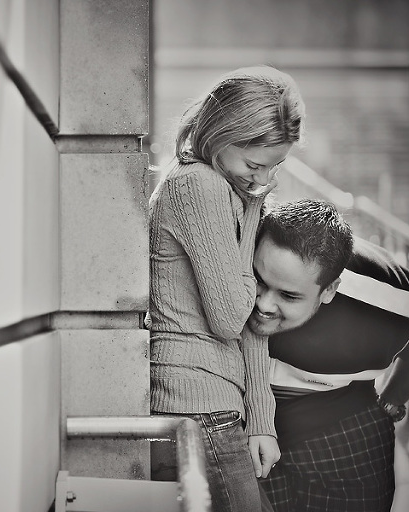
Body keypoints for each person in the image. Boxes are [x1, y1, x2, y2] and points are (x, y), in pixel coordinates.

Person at [148, 66, 306, 512]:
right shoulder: (198, 186)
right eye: (254, 165)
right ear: (220, 135)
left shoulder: (227, 190)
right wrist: (254, 208)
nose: (263, 179)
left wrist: (261, 419)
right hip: (196, 407)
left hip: (216, 409)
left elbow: (254, 318)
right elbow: (231, 316)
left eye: (275, 166)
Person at [248, 198, 409, 512]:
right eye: (259, 280)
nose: (264, 305)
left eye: (288, 295)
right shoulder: (237, 245)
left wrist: (392, 400)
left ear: (329, 290)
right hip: (244, 430)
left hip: (345, 430)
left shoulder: (384, 301)